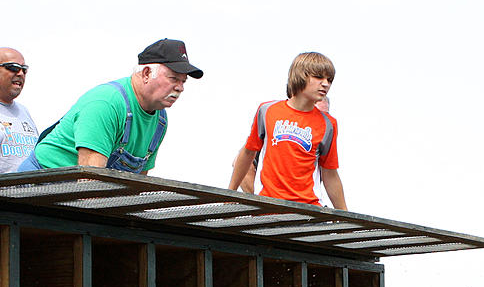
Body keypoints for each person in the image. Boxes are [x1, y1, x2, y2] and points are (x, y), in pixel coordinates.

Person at [19, 39, 203, 173]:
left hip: (79, 193)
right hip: (38, 185)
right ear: (146, 73)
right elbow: (89, 181)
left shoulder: (160, 120)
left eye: (183, 81)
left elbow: (139, 182)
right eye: (173, 79)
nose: (180, 88)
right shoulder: (107, 104)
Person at [229, 53, 347, 209]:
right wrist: (231, 192)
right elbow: (248, 153)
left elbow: (330, 173)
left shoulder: (329, 124)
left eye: (329, 80)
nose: (325, 84)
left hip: (308, 210)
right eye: (319, 77)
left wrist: (344, 214)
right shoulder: (267, 110)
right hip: (268, 207)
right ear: (301, 76)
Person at [0, 47, 39, 173]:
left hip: (32, 191)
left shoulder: (24, 111)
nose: (20, 73)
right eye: (13, 67)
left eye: (24, 70)